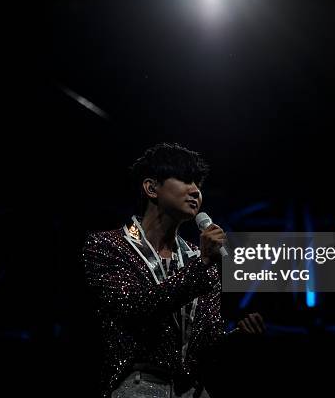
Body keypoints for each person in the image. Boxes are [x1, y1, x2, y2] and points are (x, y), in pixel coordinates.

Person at [83, 143, 265, 398]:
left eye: (198, 184)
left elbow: (207, 345)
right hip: (138, 386)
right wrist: (200, 265)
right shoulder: (108, 246)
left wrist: (238, 338)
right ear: (151, 187)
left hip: (192, 390)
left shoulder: (197, 257)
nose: (195, 191)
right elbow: (136, 307)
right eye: (184, 179)